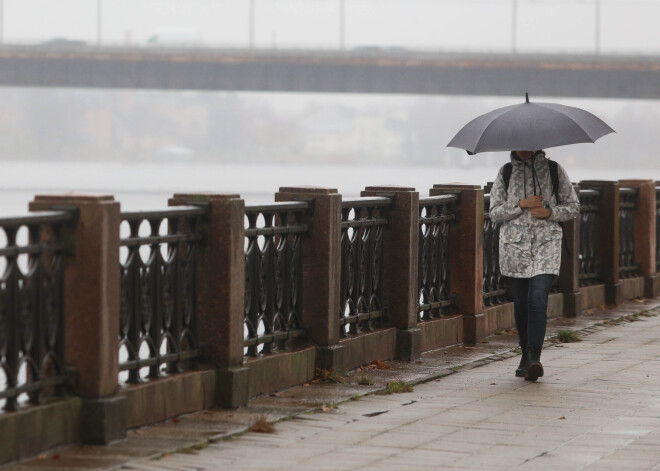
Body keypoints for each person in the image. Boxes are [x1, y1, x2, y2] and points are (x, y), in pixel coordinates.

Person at [489, 150, 579, 381]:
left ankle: (534, 358)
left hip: (546, 245)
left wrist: (550, 212)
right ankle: (524, 355)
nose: (524, 148)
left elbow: (573, 206)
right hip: (514, 249)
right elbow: (494, 212)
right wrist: (520, 204)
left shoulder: (554, 170)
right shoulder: (506, 172)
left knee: (538, 298)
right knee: (520, 304)